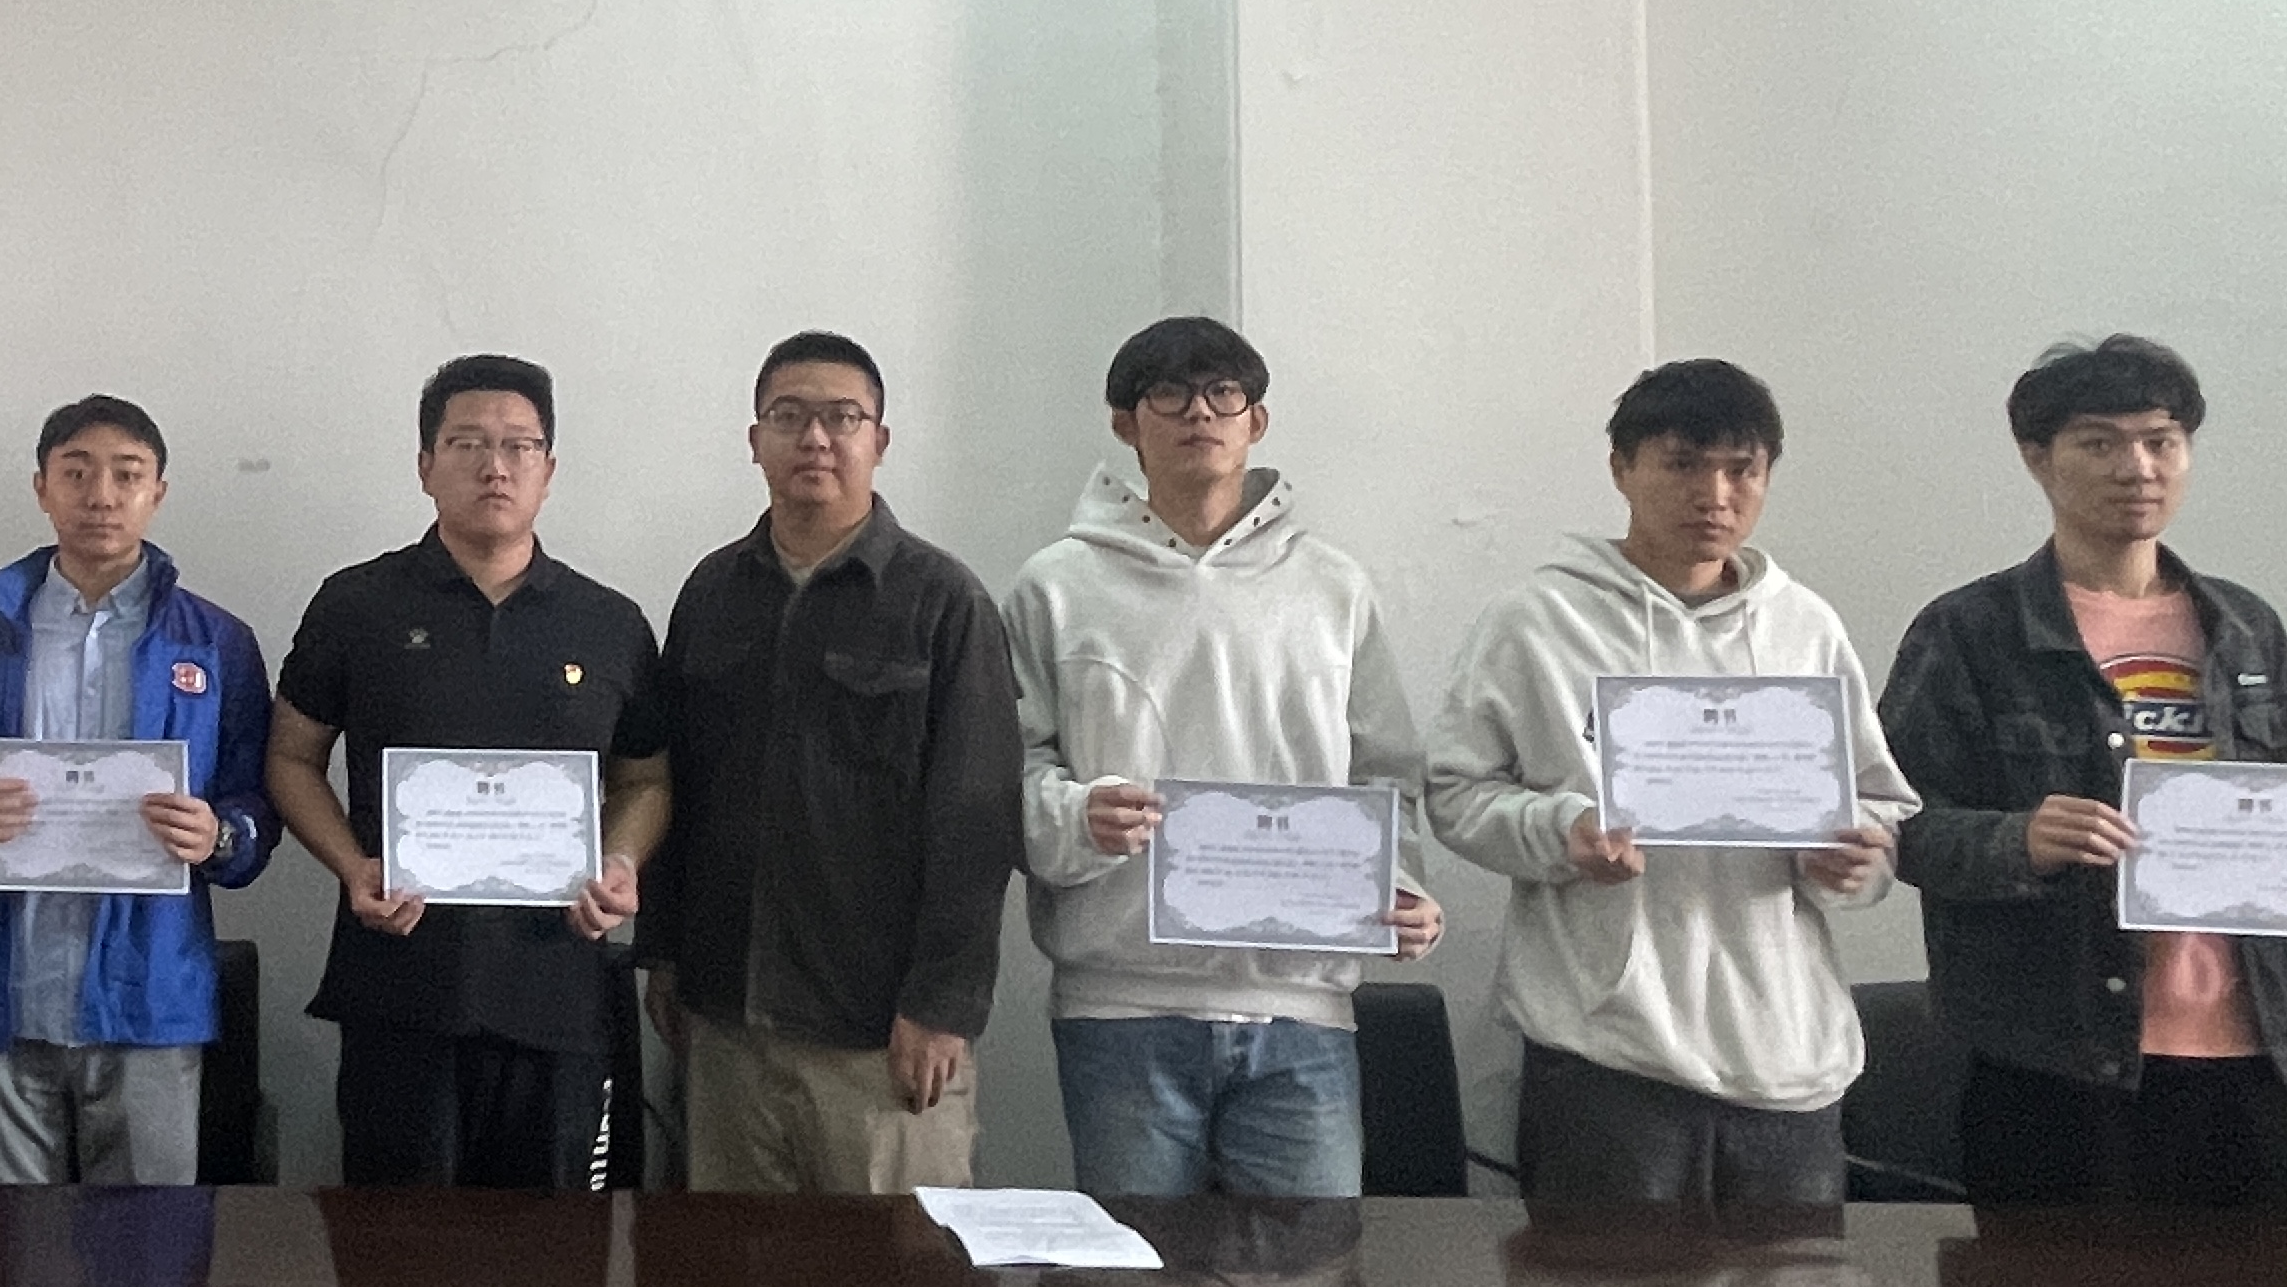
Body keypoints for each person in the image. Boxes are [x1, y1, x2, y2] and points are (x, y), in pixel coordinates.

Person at [1427, 360, 1913, 1207]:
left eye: (1741, 469)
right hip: (1605, 1053)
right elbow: (1456, 791)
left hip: (1787, 1056)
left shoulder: (1803, 625)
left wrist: (1855, 859)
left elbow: (1878, 804)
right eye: (1683, 464)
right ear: (1622, 468)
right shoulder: (1536, 621)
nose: (1715, 495)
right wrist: (1562, 832)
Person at [1006, 318, 1443, 1199]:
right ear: (1126, 424)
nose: (1199, 413)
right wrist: (1077, 817)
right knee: (1136, 1272)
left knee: (1312, 1269)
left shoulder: (1332, 586)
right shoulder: (1055, 585)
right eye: (1169, 395)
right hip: (1121, 1007)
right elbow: (1009, 768)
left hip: (1303, 1012)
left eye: (1223, 394)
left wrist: (1398, 891)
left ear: (1257, 420)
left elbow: (1384, 771)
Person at [1886, 336, 2287, 1207]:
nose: (2136, 468)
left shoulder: (2249, 630)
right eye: (2099, 443)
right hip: (2055, 1059)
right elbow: (1896, 825)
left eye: (2160, 441)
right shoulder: (1971, 631)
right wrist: (2016, 842)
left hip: (2253, 1046)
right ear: (2038, 458)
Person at [269, 353, 668, 1191]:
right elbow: (292, 757)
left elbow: (647, 780)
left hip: (557, 993)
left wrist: (621, 861)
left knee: (551, 1253)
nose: (496, 466)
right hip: (401, 988)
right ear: (425, 465)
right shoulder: (356, 605)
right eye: (468, 443)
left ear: (548, 470)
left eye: (520, 445)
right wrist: (352, 866)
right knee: (394, 1246)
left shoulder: (609, 622)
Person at [647, 331, 1020, 1194]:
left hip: (879, 1036)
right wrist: (664, 956)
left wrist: (941, 1006)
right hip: (726, 1025)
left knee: (893, 1274)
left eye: (842, 418)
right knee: (731, 1272)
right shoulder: (712, 593)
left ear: (879, 441)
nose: (815, 438)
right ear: (755, 441)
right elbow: (673, 786)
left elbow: (977, 819)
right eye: (789, 417)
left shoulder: (943, 602)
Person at [0, 396, 275, 1185]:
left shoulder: (216, 644)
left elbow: (256, 808)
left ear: (158, 492)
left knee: (148, 1243)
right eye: (76, 474)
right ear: (42, 488)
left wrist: (219, 835)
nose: (101, 496)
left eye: (126, 475)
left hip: (150, 997)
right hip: (7, 996)